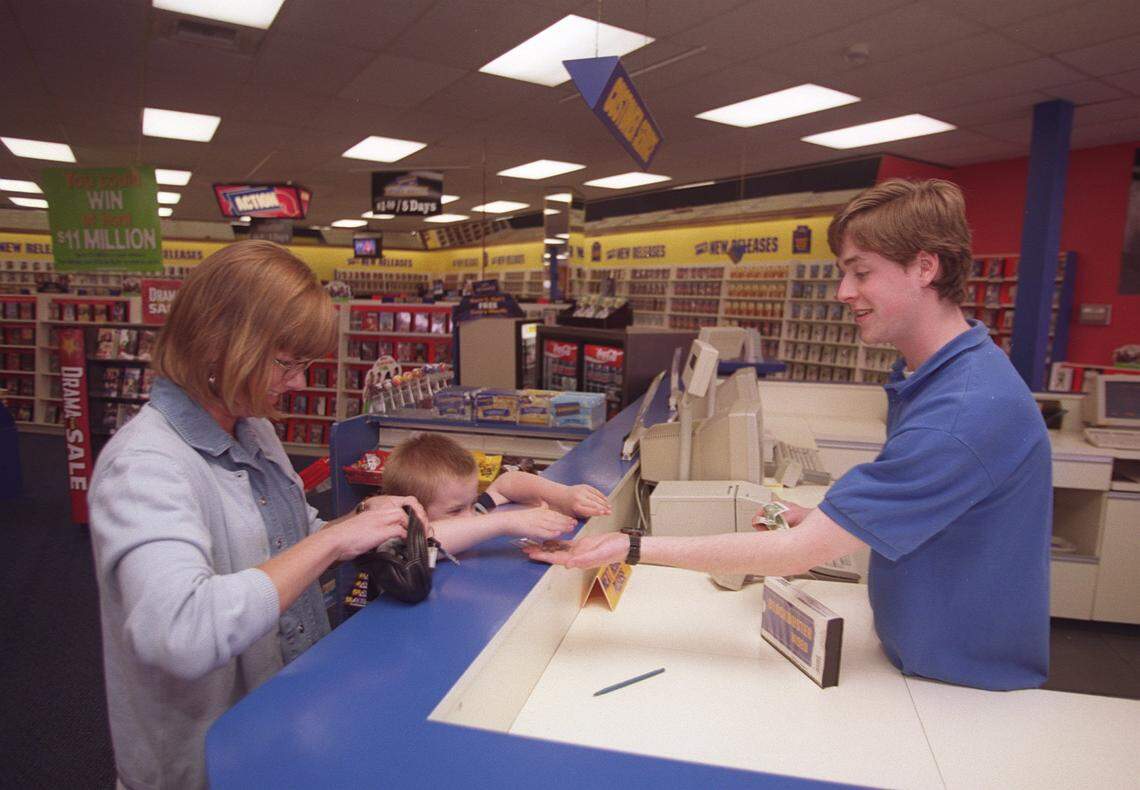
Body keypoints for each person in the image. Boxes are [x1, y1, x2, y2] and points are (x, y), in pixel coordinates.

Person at [527, 179, 1052, 691]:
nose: (845, 293)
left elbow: (799, 554)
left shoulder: (962, 409)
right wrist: (831, 517)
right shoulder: (940, 376)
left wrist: (630, 544)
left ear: (924, 266)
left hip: (959, 681)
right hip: (922, 650)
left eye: (861, 273)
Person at [88, 240, 428, 789]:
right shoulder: (145, 465)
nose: (298, 383)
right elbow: (179, 632)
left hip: (278, 731)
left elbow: (286, 542)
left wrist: (363, 523)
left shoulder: (254, 429)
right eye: (285, 362)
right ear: (218, 344)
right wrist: (333, 543)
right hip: (207, 770)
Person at [378, 432, 611, 555]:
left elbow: (505, 483)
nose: (471, 515)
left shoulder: (467, 511)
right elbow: (422, 540)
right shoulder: (396, 544)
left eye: (471, 504)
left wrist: (562, 495)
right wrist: (506, 522)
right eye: (456, 510)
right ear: (409, 512)